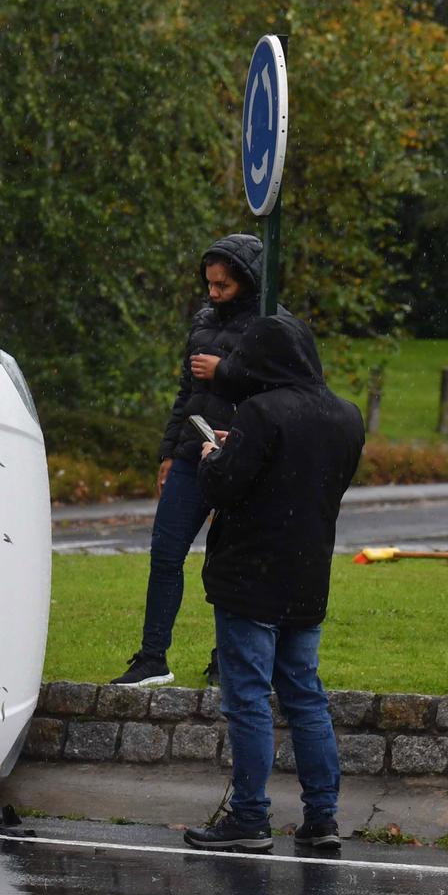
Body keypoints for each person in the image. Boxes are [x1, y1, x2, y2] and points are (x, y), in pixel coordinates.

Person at [183, 314, 364, 853]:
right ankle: (322, 817)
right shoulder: (346, 415)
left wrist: (216, 455)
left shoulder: (261, 412)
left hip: (250, 574)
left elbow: (225, 487)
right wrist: (240, 447)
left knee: (249, 699)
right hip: (308, 574)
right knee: (306, 697)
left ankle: (249, 817)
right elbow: (305, 476)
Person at [112, 234, 263, 688]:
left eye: (224, 286)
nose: (214, 294)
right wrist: (168, 452)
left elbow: (279, 388)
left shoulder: (272, 324)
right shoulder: (202, 320)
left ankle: (226, 660)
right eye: (210, 284)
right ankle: (153, 658)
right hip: (191, 453)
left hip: (241, 454)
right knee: (165, 552)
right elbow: (187, 394)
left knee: (231, 561)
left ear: (249, 282)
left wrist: (225, 371)